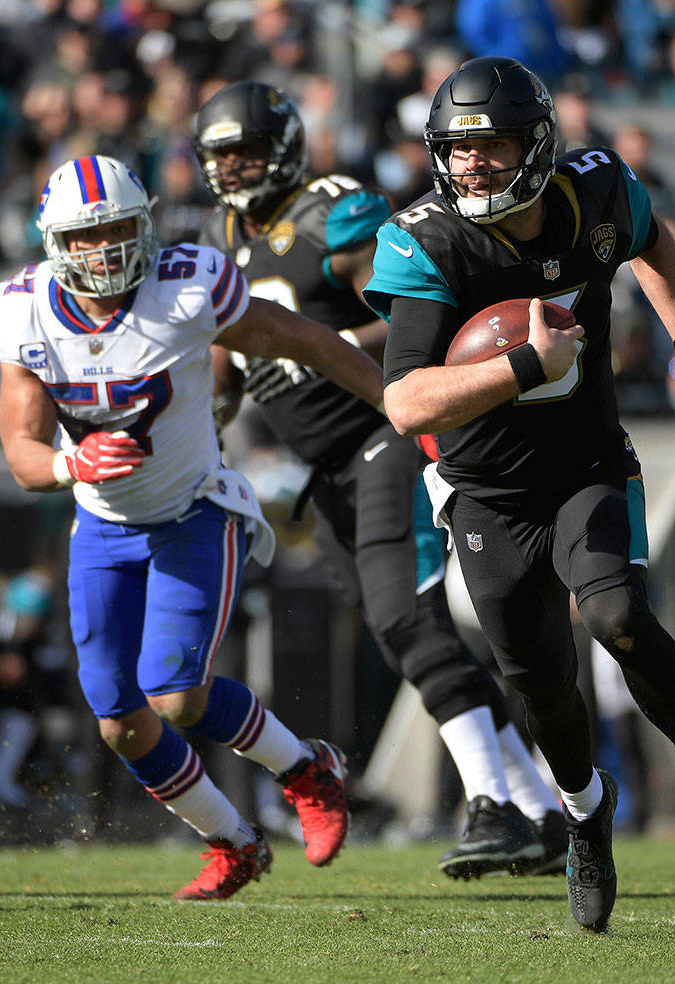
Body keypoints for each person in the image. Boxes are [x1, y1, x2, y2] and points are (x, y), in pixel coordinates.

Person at [364, 56, 675, 933]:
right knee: (538, 679)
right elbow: (404, 402)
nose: (474, 165)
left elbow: (654, 240)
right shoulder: (430, 238)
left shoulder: (595, 190)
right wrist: (526, 366)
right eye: (460, 150)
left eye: (494, 147)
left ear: (540, 144)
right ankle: (585, 814)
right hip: (482, 491)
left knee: (615, 616)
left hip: (588, 462)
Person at [0, 153, 386, 900]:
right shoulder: (23, 310)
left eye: (114, 230)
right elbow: (21, 453)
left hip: (193, 509)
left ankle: (306, 769)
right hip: (102, 526)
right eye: (84, 236)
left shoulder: (186, 285)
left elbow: (308, 340)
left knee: (176, 697)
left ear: (144, 228)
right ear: (54, 243)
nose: (101, 249)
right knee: (120, 723)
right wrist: (73, 465)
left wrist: (398, 402)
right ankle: (234, 841)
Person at [191, 80, 566, 880]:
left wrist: (306, 339)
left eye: (249, 152)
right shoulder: (222, 236)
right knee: (411, 640)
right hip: (325, 472)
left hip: (383, 437)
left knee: (408, 620)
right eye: (223, 155)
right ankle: (539, 810)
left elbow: (411, 314)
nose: (237, 169)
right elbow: (226, 360)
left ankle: (492, 806)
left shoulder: (330, 210)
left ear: (286, 149)